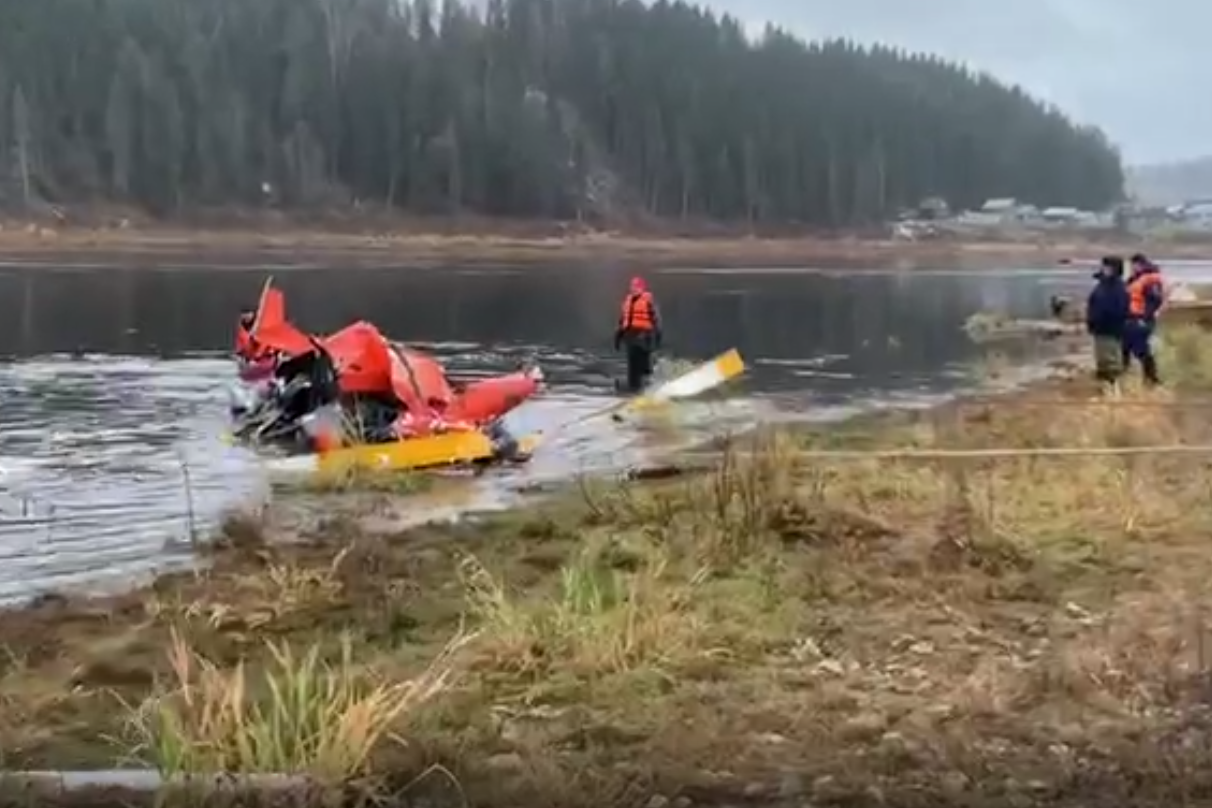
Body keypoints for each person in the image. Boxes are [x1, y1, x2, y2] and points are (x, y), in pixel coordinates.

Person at [1085, 256, 1129, 386]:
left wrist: (1102, 319)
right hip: (1099, 328)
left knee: (1111, 360)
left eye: (1107, 267)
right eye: (1104, 266)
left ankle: (1114, 389)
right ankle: (1105, 386)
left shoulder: (1118, 287)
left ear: (1115, 269)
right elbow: (1095, 303)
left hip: (1110, 328)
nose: (1104, 269)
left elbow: (1119, 309)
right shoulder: (1103, 284)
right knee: (1102, 359)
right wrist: (1092, 321)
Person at [614, 275, 662, 393]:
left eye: (636, 287)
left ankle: (648, 385)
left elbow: (656, 320)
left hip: (644, 337)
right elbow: (622, 322)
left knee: (643, 363)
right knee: (632, 364)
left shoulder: (648, 301)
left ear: (642, 288)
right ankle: (633, 387)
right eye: (632, 286)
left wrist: (657, 337)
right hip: (630, 337)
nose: (634, 289)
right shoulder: (628, 301)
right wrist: (617, 337)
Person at [1122, 252, 1164, 385]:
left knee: (1141, 348)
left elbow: (1155, 300)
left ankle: (1152, 378)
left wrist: (1145, 318)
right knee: (1125, 346)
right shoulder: (1134, 279)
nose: (1133, 267)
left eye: (1134, 265)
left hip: (1142, 319)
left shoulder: (1150, 280)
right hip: (1131, 318)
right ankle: (1125, 375)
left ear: (1140, 264)